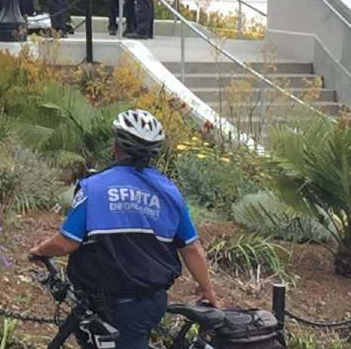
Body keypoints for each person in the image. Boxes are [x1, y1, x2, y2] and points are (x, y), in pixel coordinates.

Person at [29, 109, 220, 349]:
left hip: (109, 304)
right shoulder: (169, 193)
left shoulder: (94, 188)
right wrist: (208, 289)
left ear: (117, 145)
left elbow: (66, 242)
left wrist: (38, 251)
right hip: (149, 302)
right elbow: (191, 248)